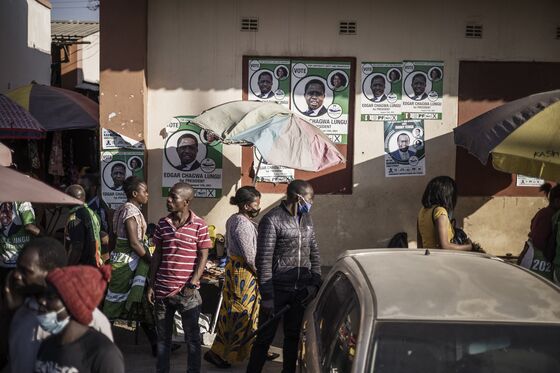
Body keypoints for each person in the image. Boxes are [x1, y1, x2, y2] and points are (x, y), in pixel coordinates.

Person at [4, 237, 113, 373]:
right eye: (17, 268)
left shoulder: (92, 320)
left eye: (26, 271)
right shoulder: (22, 311)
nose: (16, 275)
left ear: (51, 273)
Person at [246, 180, 322, 373]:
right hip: (277, 291)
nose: (311, 203)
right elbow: (263, 260)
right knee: (264, 339)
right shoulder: (271, 220)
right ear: (298, 197)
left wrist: (314, 283)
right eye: (309, 198)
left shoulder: (307, 219)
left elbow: (314, 253)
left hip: (300, 293)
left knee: (293, 337)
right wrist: (268, 297)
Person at [204, 187, 278, 368]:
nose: (258, 207)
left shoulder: (238, 220)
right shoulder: (242, 223)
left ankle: (252, 348)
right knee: (238, 314)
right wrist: (264, 274)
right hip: (243, 274)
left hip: (241, 272)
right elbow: (250, 256)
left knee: (250, 313)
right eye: (255, 204)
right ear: (246, 205)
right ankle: (217, 353)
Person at [147, 182, 212, 373]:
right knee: (163, 340)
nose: (168, 200)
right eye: (169, 195)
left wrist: (192, 284)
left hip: (188, 294)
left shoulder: (199, 225)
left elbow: (203, 256)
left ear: (186, 202)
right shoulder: (162, 224)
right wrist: (151, 284)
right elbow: (157, 254)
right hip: (162, 292)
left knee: (192, 340)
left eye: (173, 197)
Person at [34, 264, 124, 373]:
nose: (42, 301)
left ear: (73, 305)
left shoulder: (103, 354)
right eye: (43, 295)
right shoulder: (47, 345)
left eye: (51, 297)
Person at [103, 176, 158, 353]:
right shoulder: (130, 212)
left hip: (123, 261)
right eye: (145, 191)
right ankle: (101, 344)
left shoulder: (121, 210)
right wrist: (151, 260)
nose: (147, 194)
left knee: (142, 304)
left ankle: (157, 345)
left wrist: (111, 256)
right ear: (135, 193)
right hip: (128, 263)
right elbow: (134, 243)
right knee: (113, 307)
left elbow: (113, 238)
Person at [417, 176, 473, 251]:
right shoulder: (440, 211)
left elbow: (420, 245)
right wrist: (469, 247)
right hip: (441, 259)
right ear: (446, 194)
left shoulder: (422, 211)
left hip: (427, 256)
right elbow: (444, 246)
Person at [519, 184, 560, 280]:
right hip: (536, 261)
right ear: (557, 201)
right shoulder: (550, 215)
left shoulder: (544, 212)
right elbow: (539, 240)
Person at [0, 200, 41, 288]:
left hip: (3, 261)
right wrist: (48, 238)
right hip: (21, 262)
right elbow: (29, 227)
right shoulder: (22, 202)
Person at [64, 185, 103, 267]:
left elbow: (77, 247)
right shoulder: (94, 214)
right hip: (96, 263)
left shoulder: (75, 217)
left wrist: (67, 268)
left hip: (82, 266)